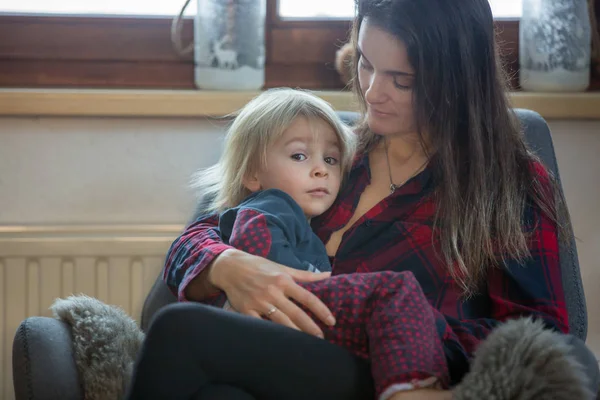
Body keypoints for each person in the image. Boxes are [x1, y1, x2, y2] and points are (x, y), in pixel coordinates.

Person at [128, 0, 591, 399]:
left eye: (401, 80)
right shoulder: (331, 154)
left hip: (386, 377)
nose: (372, 91)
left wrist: (403, 331)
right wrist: (228, 266)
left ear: (457, 80)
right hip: (286, 358)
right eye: (366, 63)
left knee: (178, 333)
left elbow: (546, 340)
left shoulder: (508, 182)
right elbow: (201, 235)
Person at [127, 88, 451, 400]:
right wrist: (227, 265)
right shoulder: (272, 206)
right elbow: (257, 253)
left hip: (296, 353)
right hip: (270, 324)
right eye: (299, 156)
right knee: (394, 292)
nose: (320, 170)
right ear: (253, 174)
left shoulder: (302, 219)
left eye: (331, 160)